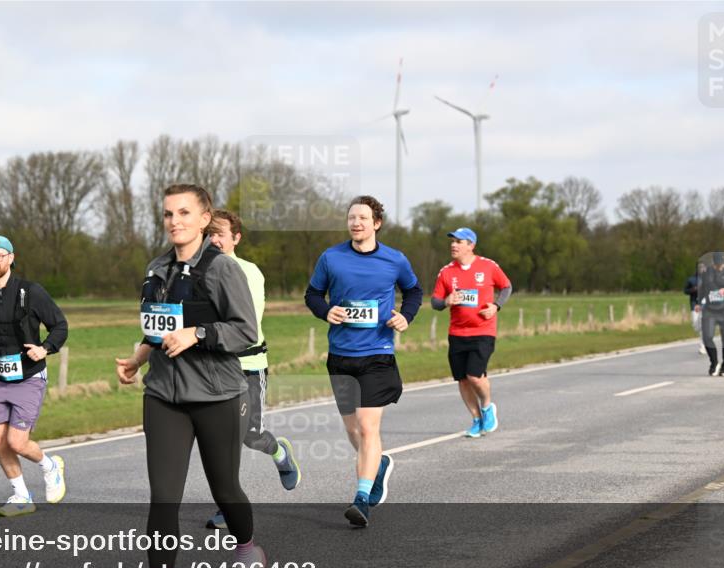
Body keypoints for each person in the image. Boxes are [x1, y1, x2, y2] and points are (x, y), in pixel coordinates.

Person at [116, 184, 263, 568]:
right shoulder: (156, 268)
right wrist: (139, 358)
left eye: (184, 213)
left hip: (217, 396)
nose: (174, 221)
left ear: (204, 219)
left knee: (226, 490)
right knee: (164, 496)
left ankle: (248, 556)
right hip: (164, 396)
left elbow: (246, 331)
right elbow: (157, 327)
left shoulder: (223, 269)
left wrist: (198, 334)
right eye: (168, 214)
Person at [304, 195, 423, 528]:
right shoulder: (331, 257)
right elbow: (312, 294)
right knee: (352, 430)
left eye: (363, 218)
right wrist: (325, 310)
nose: (356, 223)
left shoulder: (394, 259)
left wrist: (406, 316)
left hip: (377, 354)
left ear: (376, 223)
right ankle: (378, 464)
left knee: (368, 427)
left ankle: (361, 499)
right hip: (340, 355)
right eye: (351, 218)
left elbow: (414, 291)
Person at [203, 209, 301, 531]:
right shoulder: (196, 271)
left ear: (236, 238)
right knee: (221, 440)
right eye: (210, 234)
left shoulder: (249, 272)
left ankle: (280, 453)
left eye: (220, 234)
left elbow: (247, 325)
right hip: (214, 369)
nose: (214, 240)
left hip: (248, 366)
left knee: (250, 436)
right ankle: (227, 506)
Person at [0, 235, 69, 516]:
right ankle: (21, 495)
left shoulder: (30, 291)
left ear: (11, 258)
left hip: (28, 377)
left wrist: (45, 348)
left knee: (17, 442)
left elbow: (60, 326)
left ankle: (50, 466)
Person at [431, 227, 512, 438]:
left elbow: (506, 287)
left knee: (474, 375)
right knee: (463, 380)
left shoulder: (488, 266)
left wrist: (496, 306)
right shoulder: (446, 272)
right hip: (457, 332)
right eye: (452, 241)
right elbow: (435, 302)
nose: (453, 245)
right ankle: (476, 420)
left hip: (483, 330)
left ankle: (487, 406)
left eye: (459, 241)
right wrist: (446, 301)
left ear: (471, 245)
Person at [684, 262, 706, 355]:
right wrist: (693, 289)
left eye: (703, 267)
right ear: (697, 268)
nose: (702, 269)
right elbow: (685, 291)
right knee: (696, 326)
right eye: (700, 267)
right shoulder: (691, 280)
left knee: (702, 326)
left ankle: (703, 346)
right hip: (694, 304)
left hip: (704, 305)